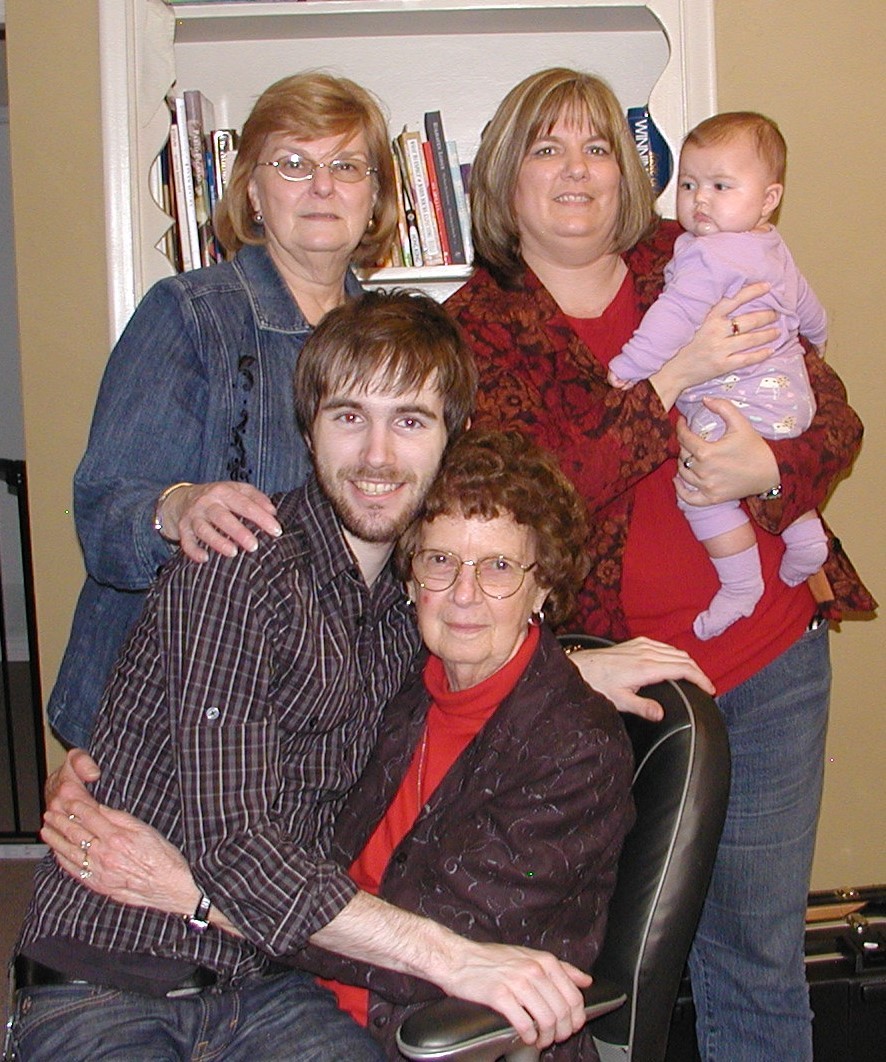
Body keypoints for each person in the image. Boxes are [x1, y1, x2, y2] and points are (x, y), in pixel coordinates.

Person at [10, 291, 597, 1062]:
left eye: (410, 421)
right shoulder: (236, 566)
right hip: (111, 970)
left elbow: (488, 650)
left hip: (272, 984)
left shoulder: (412, 608)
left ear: (450, 438)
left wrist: (585, 668)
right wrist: (454, 959)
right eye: (349, 416)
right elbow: (238, 847)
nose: (377, 456)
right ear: (309, 428)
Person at [445, 67, 876, 1061]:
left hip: (768, 660)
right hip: (600, 692)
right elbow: (529, 503)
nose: (577, 169)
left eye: (598, 146)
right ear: (504, 178)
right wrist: (674, 377)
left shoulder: (697, 254)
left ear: (631, 173)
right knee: (598, 978)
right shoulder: (476, 329)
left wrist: (771, 469)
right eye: (547, 148)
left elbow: (833, 417)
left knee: (757, 960)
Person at [48, 71, 399, 749]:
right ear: (253, 194)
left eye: (346, 165)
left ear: (375, 195)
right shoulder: (187, 315)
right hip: (166, 718)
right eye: (292, 163)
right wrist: (177, 508)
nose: (322, 186)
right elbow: (103, 515)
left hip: (320, 720)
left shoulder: (397, 343)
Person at [607, 112, 829, 639]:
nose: (700, 200)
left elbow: (674, 317)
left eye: (720, 186)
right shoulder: (771, 245)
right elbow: (809, 306)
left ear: (769, 197)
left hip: (738, 399)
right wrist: (817, 340)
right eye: (689, 185)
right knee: (763, 458)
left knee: (700, 483)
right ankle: (806, 538)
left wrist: (630, 365)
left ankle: (739, 584)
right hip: (791, 397)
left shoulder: (710, 255)